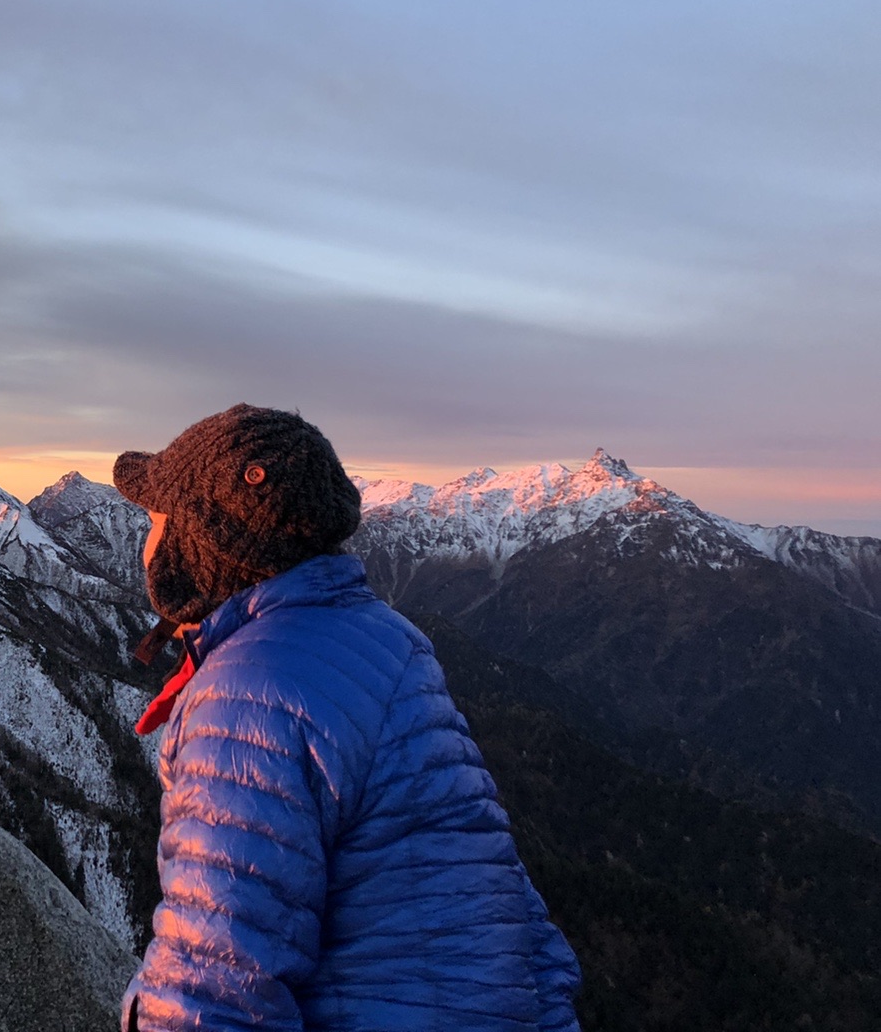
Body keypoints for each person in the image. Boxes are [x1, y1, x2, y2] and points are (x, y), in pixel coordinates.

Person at [114, 404, 581, 1032]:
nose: (144, 539)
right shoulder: (390, 639)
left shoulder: (248, 695)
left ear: (193, 548)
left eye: (154, 518)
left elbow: (212, 985)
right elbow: (497, 888)